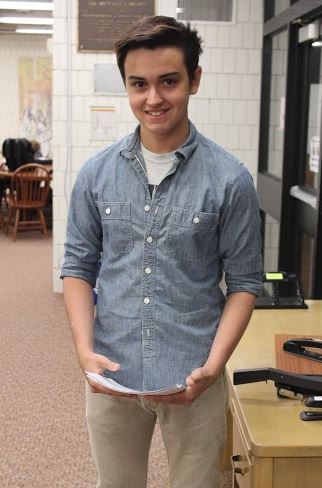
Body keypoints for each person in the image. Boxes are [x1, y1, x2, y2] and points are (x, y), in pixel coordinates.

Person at [61, 15, 262, 488]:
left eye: (168, 81)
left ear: (194, 79)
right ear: (127, 86)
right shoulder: (96, 175)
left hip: (195, 376)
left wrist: (215, 364)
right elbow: (77, 267)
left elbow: (245, 282)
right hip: (113, 373)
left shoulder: (230, 180)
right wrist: (83, 349)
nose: (153, 99)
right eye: (139, 84)